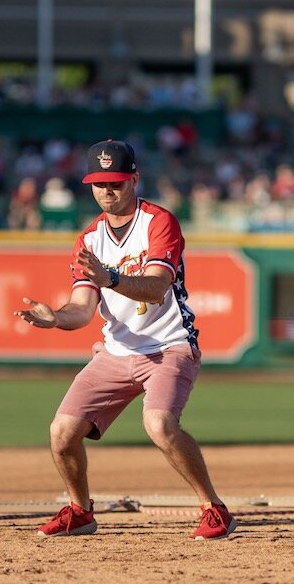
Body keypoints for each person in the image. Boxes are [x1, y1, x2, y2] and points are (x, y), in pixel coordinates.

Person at [15, 140, 236, 540]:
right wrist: (55, 318)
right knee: (60, 432)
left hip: (169, 345)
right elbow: (82, 308)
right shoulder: (89, 239)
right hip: (117, 351)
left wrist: (111, 278)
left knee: (159, 424)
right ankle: (81, 511)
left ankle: (213, 507)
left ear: (134, 179)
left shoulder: (158, 222)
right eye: (99, 183)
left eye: (115, 182)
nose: (107, 191)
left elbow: (156, 288)